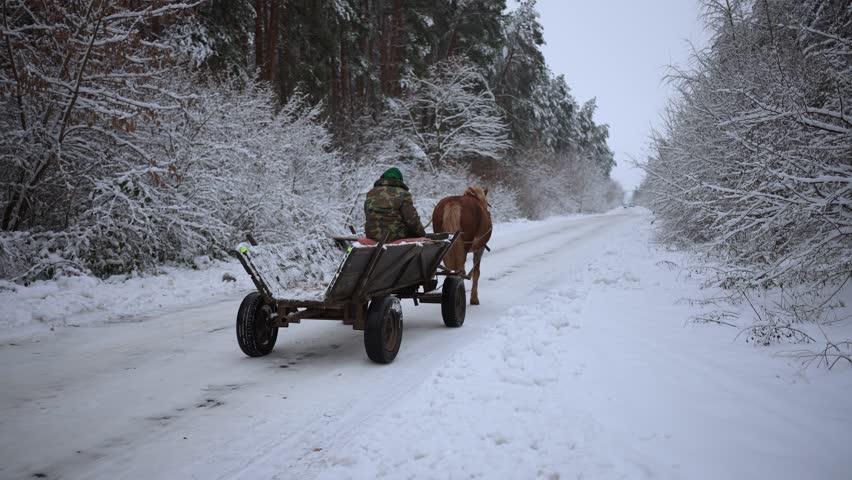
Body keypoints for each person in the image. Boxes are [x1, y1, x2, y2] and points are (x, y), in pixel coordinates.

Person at [364, 167, 426, 242]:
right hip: (394, 237)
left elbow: (367, 215)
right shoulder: (403, 194)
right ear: (399, 180)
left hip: (372, 236)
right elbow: (411, 219)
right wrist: (422, 234)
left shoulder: (371, 193)